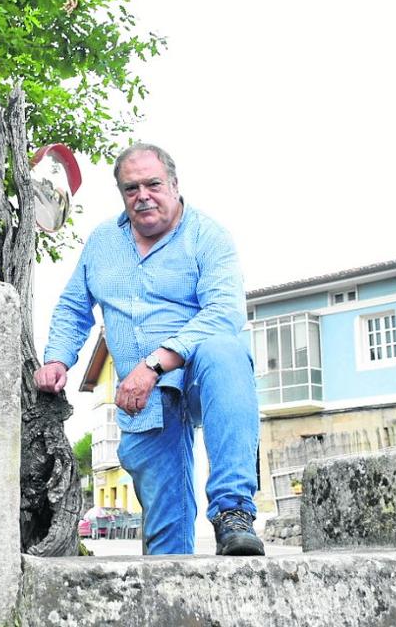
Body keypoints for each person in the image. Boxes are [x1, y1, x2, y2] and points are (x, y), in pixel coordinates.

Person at [34, 143, 263, 556]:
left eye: (153, 184)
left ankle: (233, 512)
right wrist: (56, 359)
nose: (143, 195)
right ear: (122, 194)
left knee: (225, 351)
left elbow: (224, 314)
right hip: (144, 403)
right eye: (131, 187)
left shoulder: (208, 236)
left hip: (197, 374)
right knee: (165, 541)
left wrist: (153, 364)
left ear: (174, 185)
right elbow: (73, 306)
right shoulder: (103, 241)